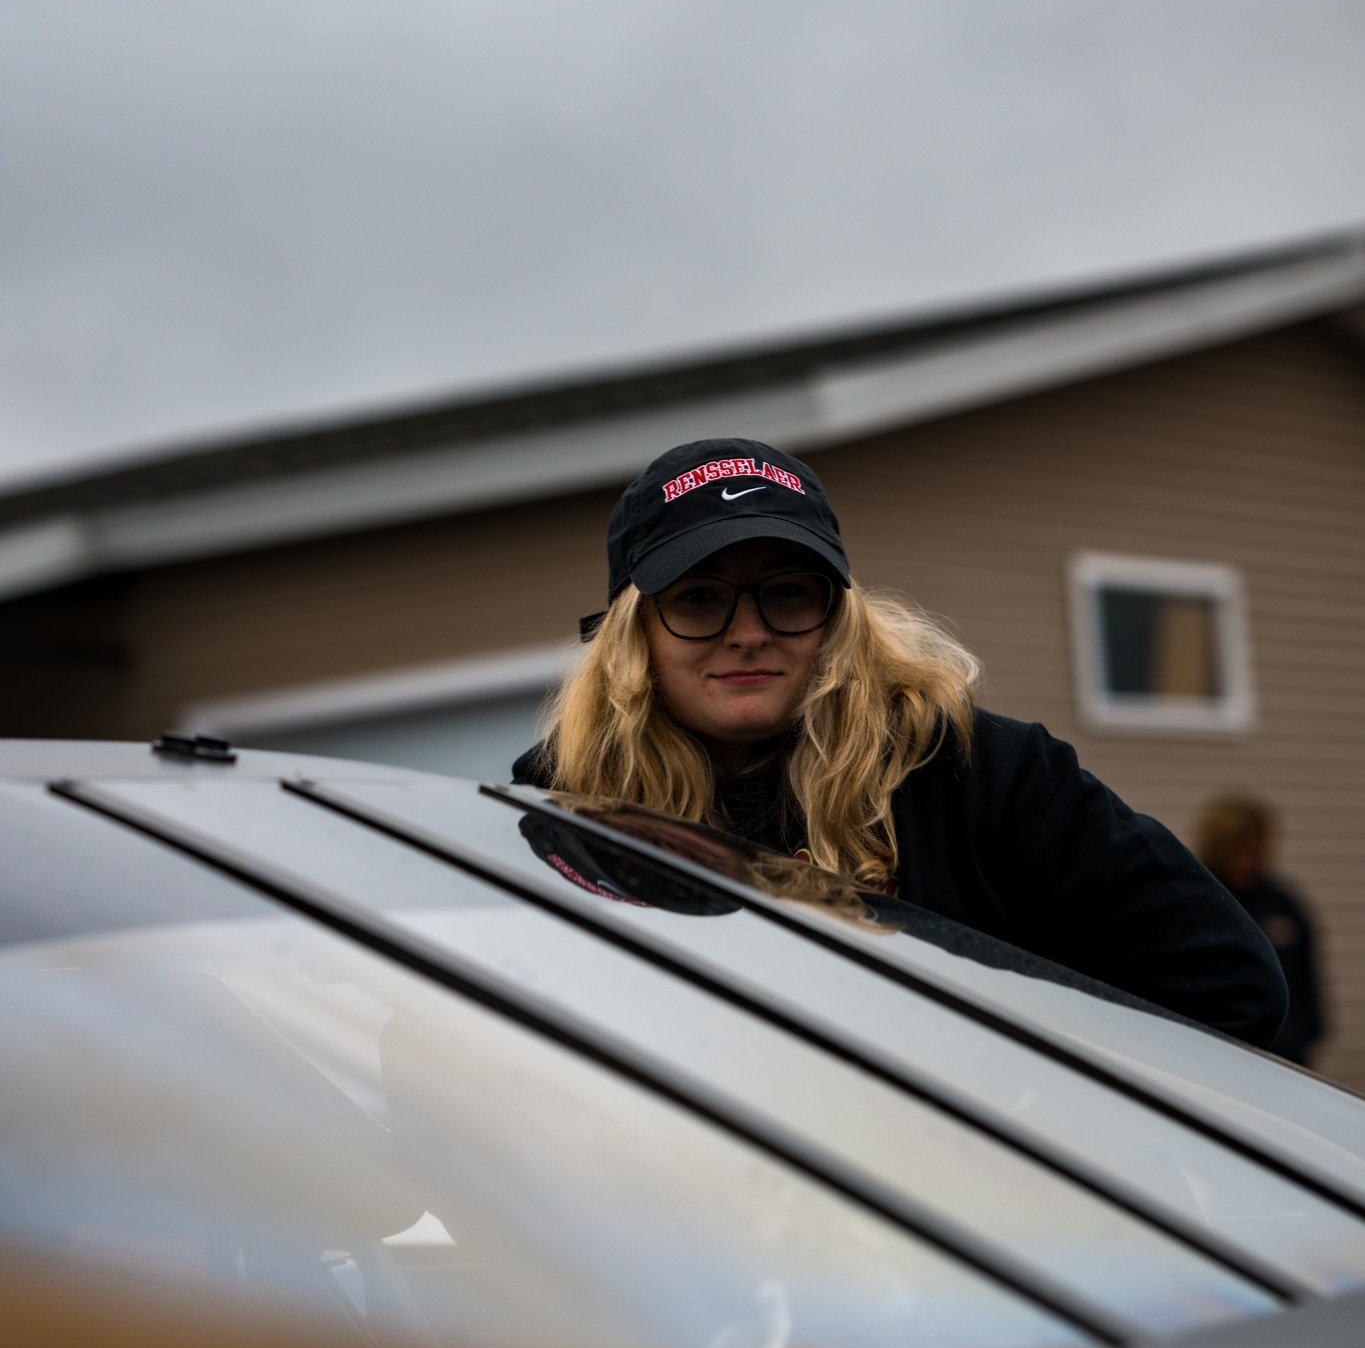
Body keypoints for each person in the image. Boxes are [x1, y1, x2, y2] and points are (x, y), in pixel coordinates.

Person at [513, 437, 1287, 1048]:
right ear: (632, 632)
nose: (747, 633)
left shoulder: (980, 774)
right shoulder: (559, 810)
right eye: (699, 598)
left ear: (837, 614)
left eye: (787, 592)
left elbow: (1226, 985)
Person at [1194, 796, 1326, 1066]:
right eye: (1241, 852)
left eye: (1257, 853)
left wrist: (1302, 1036)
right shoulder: (1197, 900)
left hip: (1286, 1061)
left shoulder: (1283, 905)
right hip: (1218, 1059)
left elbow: (1309, 987)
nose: (1250, 863)